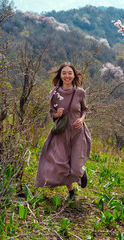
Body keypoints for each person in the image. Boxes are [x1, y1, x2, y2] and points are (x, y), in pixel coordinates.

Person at [35, 62, 91, 201]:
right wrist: (57, 115)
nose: (67, 76)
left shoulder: (80, 92)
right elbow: (52, 114)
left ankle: (81, 172)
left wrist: (82, 119)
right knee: (62, 164)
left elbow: (84, 109)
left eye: (69, 73)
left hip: (77, 132)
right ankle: (71, 192)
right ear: (60, 75)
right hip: (61, 133)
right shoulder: (54, 93)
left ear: (74, 75)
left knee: (76, 167)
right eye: (64, 73)